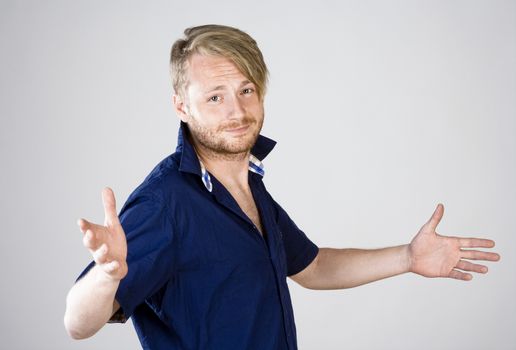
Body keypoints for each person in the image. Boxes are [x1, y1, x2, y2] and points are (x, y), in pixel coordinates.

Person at [64, 24, 500, 349]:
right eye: (215, 96)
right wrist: (107, 276)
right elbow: (77, 323)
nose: (237, 110)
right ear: (181, 105)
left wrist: (407, 257)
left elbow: (311, 268)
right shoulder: (166, 203)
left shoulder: (250, 188)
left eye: (246, 90)